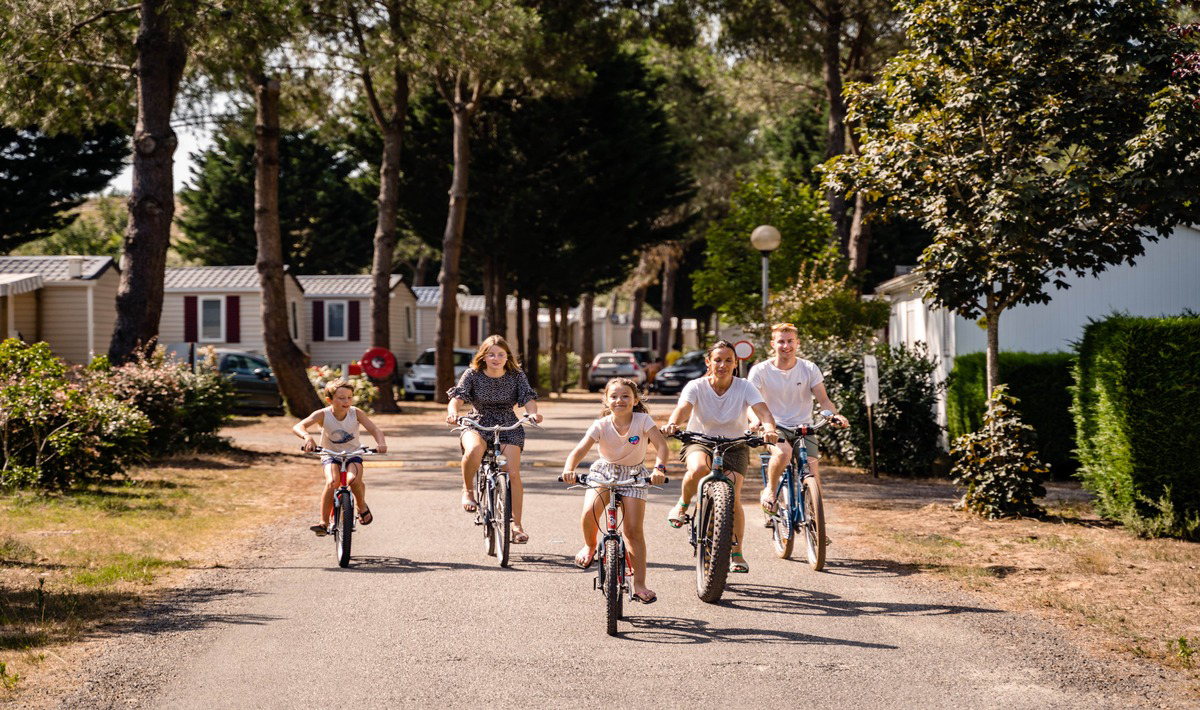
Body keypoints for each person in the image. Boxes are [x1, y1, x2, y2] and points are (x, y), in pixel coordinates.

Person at [661, 340, 778, 573]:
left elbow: (763, 411)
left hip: (735, 445)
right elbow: (683, 409)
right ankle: (683, 505)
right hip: (700, 441)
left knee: (733, 498)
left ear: (735, 364)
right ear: (708, 362)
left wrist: (769, 428)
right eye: (717, 360)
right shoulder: (696, 386)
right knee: (698, 470)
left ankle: (736, 552)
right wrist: (673, 423)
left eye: (728, 360)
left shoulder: (744, 386)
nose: (722, 365)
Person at [561, 377, 670, 604]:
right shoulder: (601, 424)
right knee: (590, 511)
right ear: (606, 400)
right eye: (614, 396)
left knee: (632, 530)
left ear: (635, 400)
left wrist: (659, 469)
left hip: (634, 474)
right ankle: (590, 546)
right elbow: (580, 449)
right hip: (604, 472)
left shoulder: (642, 420)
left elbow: (661, 446)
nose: (619, 400)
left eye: (625, 396)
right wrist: (569, 469)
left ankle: (639, 584)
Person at [445, 335, 542, 543]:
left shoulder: (516, 375)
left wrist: (533, 413)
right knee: (474, 450)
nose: (496, 359)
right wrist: (453, 413)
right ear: (484, 356)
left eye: (501, 354)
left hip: (508, 423)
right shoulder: (473, 374)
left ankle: (517, 526)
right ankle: (468, 490)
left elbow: (528, 399)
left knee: (513, 473)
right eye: (491, 355)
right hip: (477, 422)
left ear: (507, 357)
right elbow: (457, 398)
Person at [747, 323, 849, 517]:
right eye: (781, 341)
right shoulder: (760, 370)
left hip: (804, 427)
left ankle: (816, 526)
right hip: (774, 427)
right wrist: (755, 421)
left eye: (790, 341)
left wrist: (834, 415)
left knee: (813, 476)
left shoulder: (809, 368)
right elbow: (750, 403)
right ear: (773, 344)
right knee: (783, 453)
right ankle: (770, 489)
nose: (786, 346)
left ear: (797, 342)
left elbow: (824, 400)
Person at [293, 379, 388, 535]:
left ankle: (361, 506)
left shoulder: (355, 412)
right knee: (332, 482)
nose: (346, 401)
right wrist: (307, 437)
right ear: (329, 400)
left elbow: (375, 429)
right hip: (330, 455)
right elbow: (298, 426)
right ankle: (323, 523)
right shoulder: (323, 414)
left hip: (353, 454)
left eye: (349, 397)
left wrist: (381, 443)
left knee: (353, 480)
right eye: (341, 398)